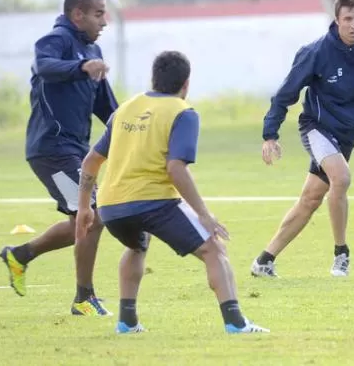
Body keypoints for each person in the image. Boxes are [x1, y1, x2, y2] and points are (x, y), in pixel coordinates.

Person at [75, 50, 268, 334]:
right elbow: (176, 168)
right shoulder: (182, 112)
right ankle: (236, 323)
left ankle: (127, 322)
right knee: (213, 248)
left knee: (136, 245)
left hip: (110, 206)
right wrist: (204, 215)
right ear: (186, 84)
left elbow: (91, 161)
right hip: (153, 201)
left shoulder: (125, 109)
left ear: (153, 79)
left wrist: (83, 207)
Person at [252, 0, 354, 279]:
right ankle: (341, 253)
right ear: (337, 21)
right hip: (317, 127)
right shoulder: (316, 52)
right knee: (342, 178)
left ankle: (264, 260)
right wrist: (270, 134)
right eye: (348, 19)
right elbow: (284, 95)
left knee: (311, 199)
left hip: (347, 135)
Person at [0, 0, 117, 316]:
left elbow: (106, 106)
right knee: (90, 217)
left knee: (86, 217)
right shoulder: (56, 40)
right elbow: (46, 66)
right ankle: (83, 298)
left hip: (75, 151)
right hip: (51, 148)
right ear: (76, 14)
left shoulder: (94, 52)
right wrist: (80, 68)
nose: (104, 21)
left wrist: (132, 129)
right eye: (98, 14)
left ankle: (20, 255)